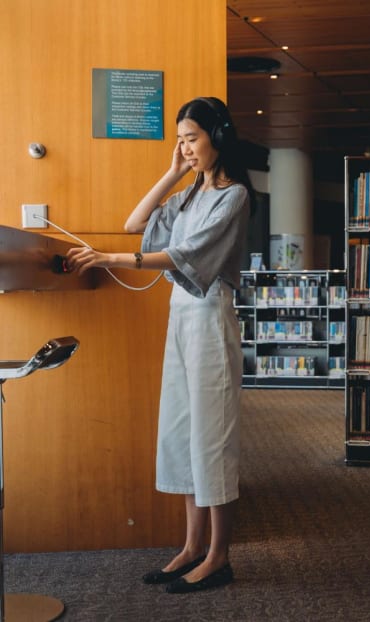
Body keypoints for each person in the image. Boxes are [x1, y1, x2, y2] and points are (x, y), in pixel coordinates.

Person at [66, 96, 252, 594]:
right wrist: (172, 173)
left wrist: (107, 258)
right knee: (181, 432)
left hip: (212, 317)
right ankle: (191, 547)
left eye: (192, 138)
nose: (186, 147)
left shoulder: (232, 196)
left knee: (212, 437)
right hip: (180, 318)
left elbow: (181, 254)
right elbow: (135, 224)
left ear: (219, 137)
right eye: (180, 139)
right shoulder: (190, 193)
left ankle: (218, 556)